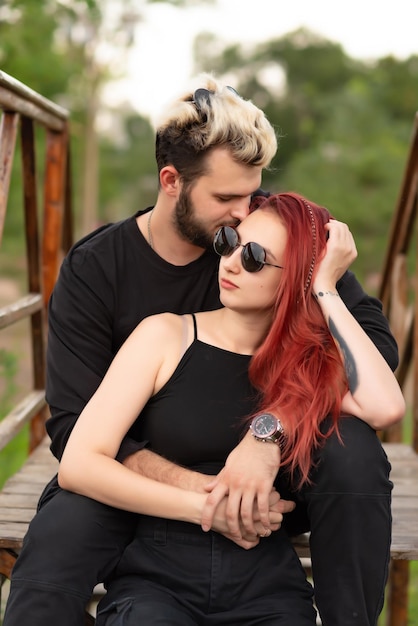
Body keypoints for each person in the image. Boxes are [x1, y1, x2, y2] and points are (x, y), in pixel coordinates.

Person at [3, 74, 399, 626]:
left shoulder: (268, 241)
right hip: (145, 473)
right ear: (171, 181)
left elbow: (375, 353)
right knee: (56, 546)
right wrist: (207, 494)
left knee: (354, 451)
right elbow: (75, 431)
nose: (243, 215)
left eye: (253, 193)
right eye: (226, 199)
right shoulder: (99, 269)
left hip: (273, 484)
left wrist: (268, 436)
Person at [56, 192, 404, 625]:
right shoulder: (164, 335)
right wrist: (208, 508)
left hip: (266, 579)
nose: (232, 261)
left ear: (296, 276)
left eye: (256, 257)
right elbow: (78, 464)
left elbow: (386, 406)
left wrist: (325, 288)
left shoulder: (309, 365)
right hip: (159, 572)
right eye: (228, 241)